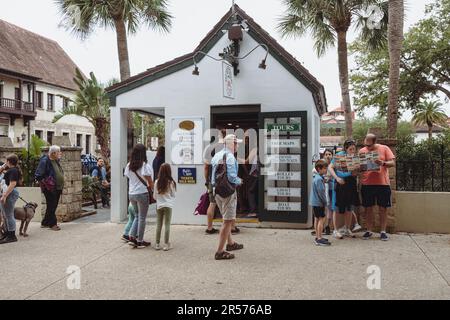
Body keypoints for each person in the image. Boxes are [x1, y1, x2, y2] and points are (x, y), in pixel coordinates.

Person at [211, 134, 244, 260]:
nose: (237, 145)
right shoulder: (230, 157)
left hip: (217, 191)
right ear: (230, 144)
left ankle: (230, 244)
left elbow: (212, 175)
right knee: (228, 221)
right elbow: (231, 177)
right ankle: (220, 251)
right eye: (236, 143)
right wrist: (239, 181)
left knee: (226, 218)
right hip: (228, 192)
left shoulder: (216, 156)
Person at [359, 134, 395, 241]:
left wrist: (383, 163)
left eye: (370, 145)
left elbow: (392, 163)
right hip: (367, 184)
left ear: (375, 142)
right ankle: (368, 231)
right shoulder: (362, 151)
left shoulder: (384, 148)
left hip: (383, 184)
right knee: (368, 209)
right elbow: (360, 166)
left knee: (383, 209)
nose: (368, 148)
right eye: (366, 145)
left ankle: (383, 232)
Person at [329, 140, 361, 239]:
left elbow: (356, 172)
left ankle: (347, 229)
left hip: (351, 183)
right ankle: (335, 230)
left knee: (349, 207)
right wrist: (337, 178)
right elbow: (330, 167)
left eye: (354, 149)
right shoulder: (339, 155)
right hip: (340, 183)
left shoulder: (355, 157)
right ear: (345, 148)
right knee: (337, 207)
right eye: (350, 149)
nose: (352, 151)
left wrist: (357, 170)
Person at [124, 144, 154, 249]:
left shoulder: (129, 165)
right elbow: (150, 182)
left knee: (137, 216)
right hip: (142, 193)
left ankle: (132, 237)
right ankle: (140, 241)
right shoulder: (145, 166)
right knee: (142, 217)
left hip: (131, 194)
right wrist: (154, 191)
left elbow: (128, 177)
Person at [35, 145, 64, 231]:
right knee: (52, 205)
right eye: (58, 152)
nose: (60, 153)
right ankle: (53, 224)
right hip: (49, 188)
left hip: (58, 187)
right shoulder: (44, 161)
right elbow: (38, 175)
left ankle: (45, 222)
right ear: (53, 153)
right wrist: (47, 184)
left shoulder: (55, 160)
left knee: (53, 205)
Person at [154, 163, 176, 251]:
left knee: (159, 224)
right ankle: (166, 244)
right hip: (168, 205)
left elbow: (154, 196)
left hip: (159, 205)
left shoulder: (156, 182)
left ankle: (157, 244)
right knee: (167, 224)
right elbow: (173, 194)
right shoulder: (171, 182)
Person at [0, 155, 21, 244]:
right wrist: (3, 167)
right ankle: (8, 233)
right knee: (5, 214)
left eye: (6, 161)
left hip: (10, 193)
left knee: (8, 215)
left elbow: (12, 184)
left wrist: (5, 195)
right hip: (8, 192)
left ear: (9, 161)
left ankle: (12, 236)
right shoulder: (11, 170)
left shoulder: (13, 171)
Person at [309, 159, 331, 246]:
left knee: (317, 219)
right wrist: (325, 202)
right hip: (319, 203)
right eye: (325, 168)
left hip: (315, 202)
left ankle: (318, 236)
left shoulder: (316, 178)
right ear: (319, 169)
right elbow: (321, 192)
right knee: (322, 219)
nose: (326, 170)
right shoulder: (319, 180)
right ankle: (319, 238)